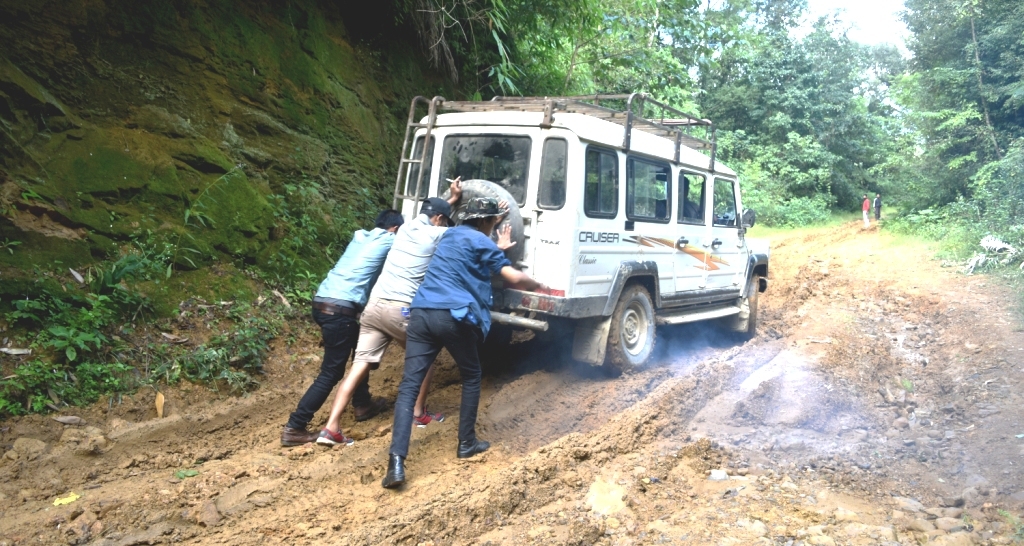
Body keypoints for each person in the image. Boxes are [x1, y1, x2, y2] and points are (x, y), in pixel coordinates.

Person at [381, 197, 546, 488]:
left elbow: (468, 249)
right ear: (485, 222)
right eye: (493, 220)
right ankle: (466, 443)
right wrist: (536, 285)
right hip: (452, 316)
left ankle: (396, 462)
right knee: (471, 375)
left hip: (421, 312)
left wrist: (494, 232)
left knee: (408, 386)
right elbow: (511, 276)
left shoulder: (449, 233)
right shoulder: (482, 242)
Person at [316, 181, 464, 447]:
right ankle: (418, 413)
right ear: (439, 220)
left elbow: (433, 213)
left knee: (358, 366)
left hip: (373, 308)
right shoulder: (437, 235)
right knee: (426, 357)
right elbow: (465, 237)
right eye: (443, 221)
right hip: (400, 309)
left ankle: (331, 427)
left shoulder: (403, 228)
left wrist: (450, 201)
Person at [280, 209, 404, 447]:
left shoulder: (361, 237)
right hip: (340, 311)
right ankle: (295, 427)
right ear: (396, 229)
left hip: (322, 302)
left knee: (361, 348)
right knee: (331, 372)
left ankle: (362, 402)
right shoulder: (391, 240)